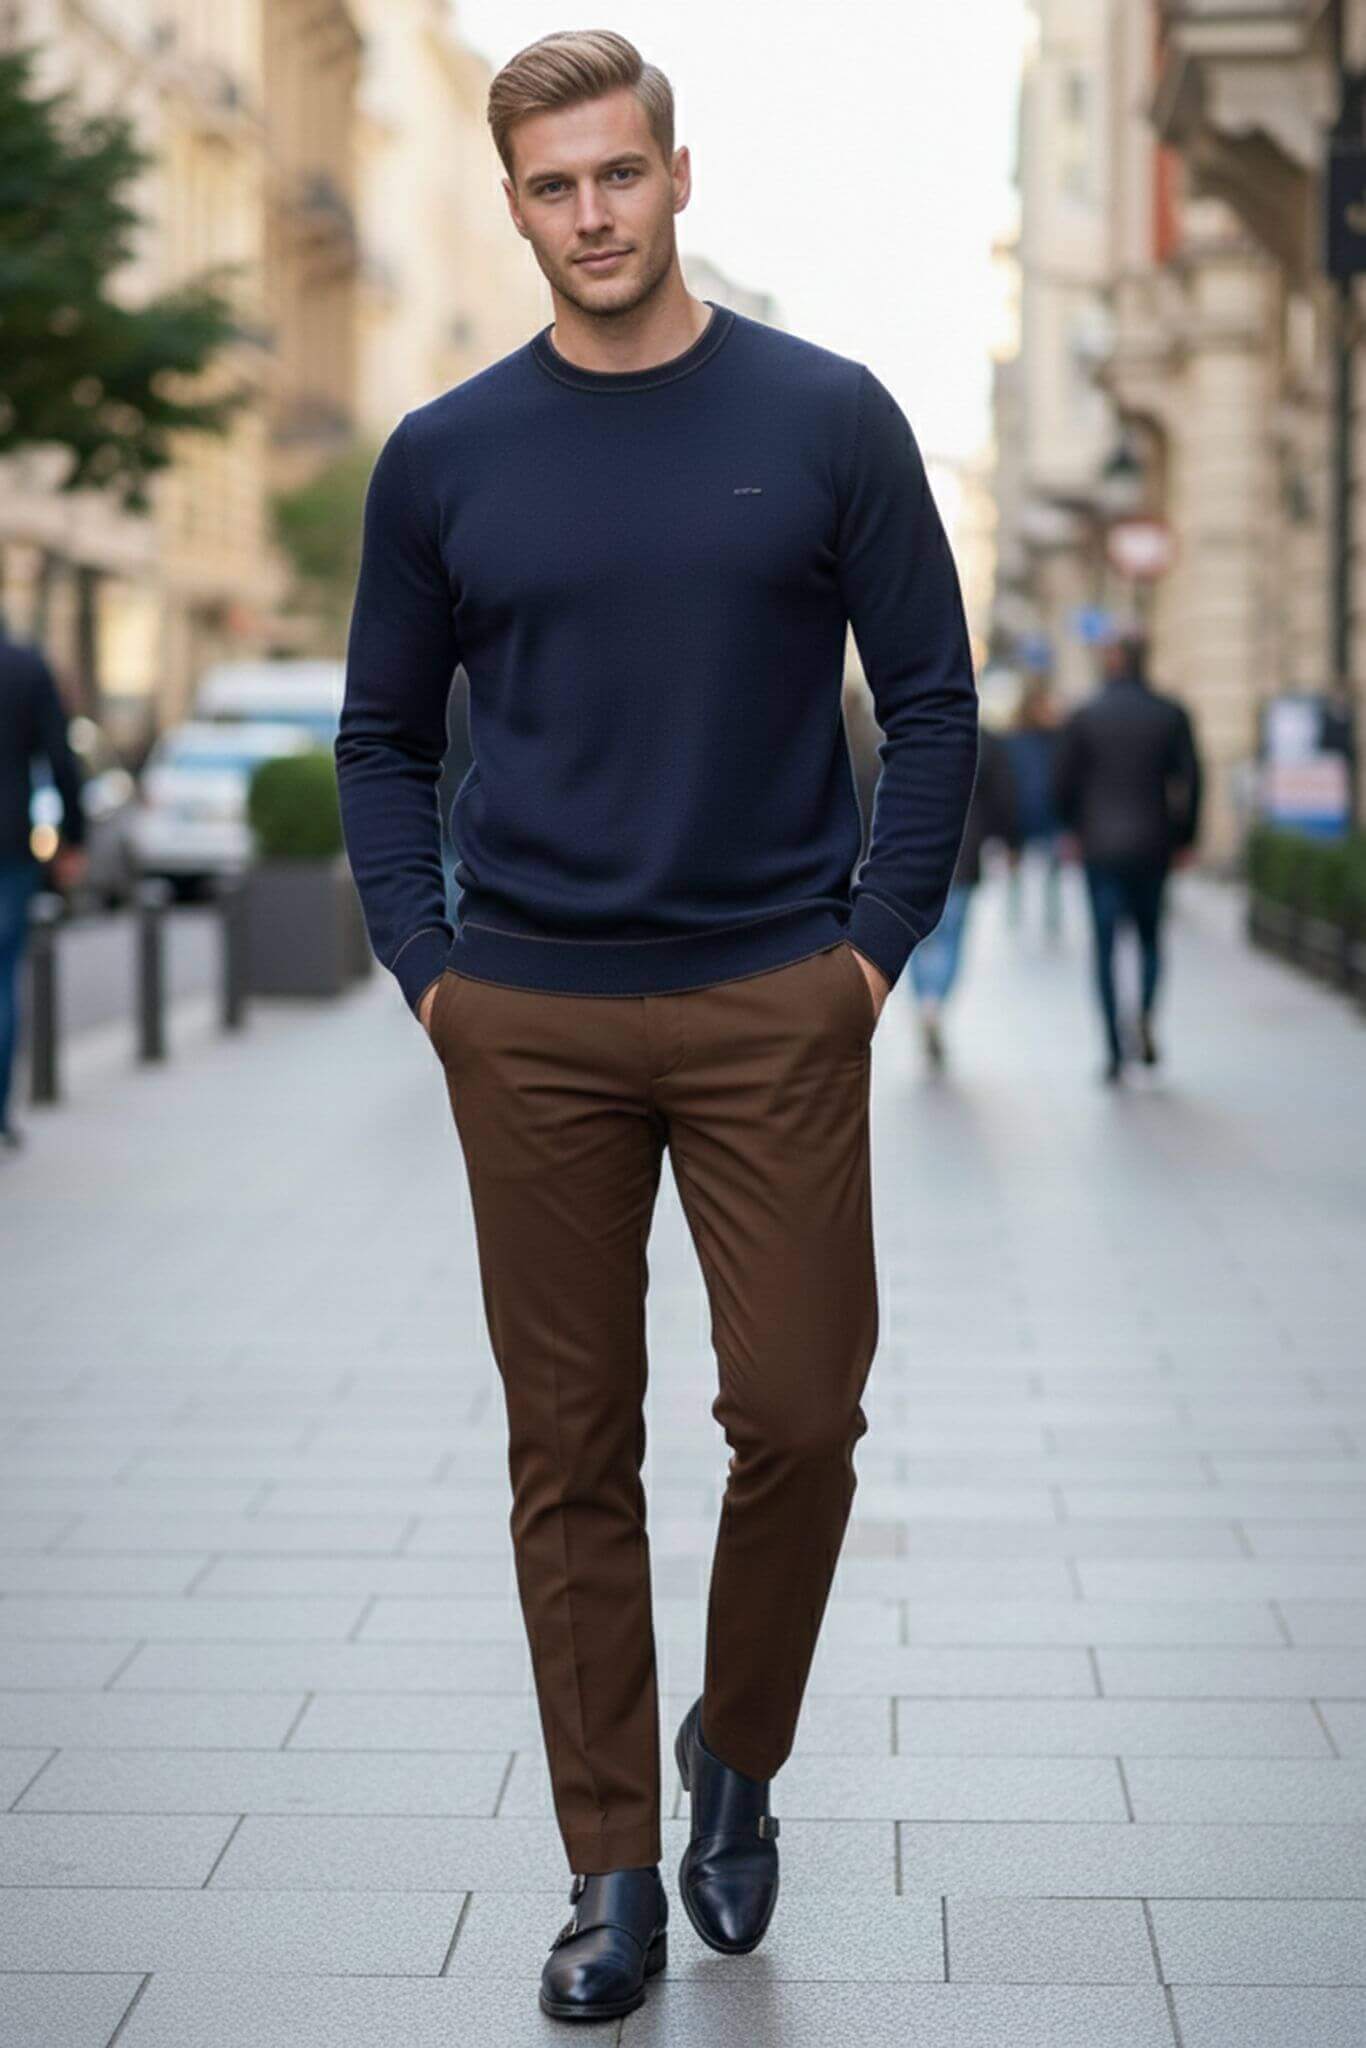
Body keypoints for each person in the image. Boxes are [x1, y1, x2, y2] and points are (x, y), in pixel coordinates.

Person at [335, 29, 978, 2025]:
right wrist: (432, 973)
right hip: (525, 1011)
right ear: (515, 206)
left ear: (677, 177)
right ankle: (609, 1866)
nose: (591, 213)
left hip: (772, 996)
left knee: (797, 1414)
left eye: (618, 173)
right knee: (569, 1446)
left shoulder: (826, 416)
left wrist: (865, 956)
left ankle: (737, 1741)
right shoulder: (444, 453)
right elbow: (379, 739)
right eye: (553, 186)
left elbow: (933, 701)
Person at [1053, 630, 1202, 1083]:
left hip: (1099, 847)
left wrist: (1071, 830)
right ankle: (1146, 1015)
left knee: (1104, 947)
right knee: (1150, 939)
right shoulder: (1169, 713)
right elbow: (1192, 780)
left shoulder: (1085, 715)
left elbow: (1062, 784)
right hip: (1153, 844)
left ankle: (1114, 1049)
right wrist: (1185, 838)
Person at [0, 623, 87, 1152]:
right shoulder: (26, 666)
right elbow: (60, 755)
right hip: (9, 842)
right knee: (3, 977)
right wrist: (73, 838)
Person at [909, 724, 1020, 1070]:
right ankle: (936, 1003)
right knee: (953, 938)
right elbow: (1004, 798)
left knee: (917, 938)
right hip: (964, 854)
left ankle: (924, 999)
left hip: (914, 856)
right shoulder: (984, 740)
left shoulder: (910, 731)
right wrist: (1009, 841)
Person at [1004, 671, 1063, 938]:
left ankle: (1051, 921)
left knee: (1053, 872)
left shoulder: (1057, 739)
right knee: (1017, 870)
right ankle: (1015, 918)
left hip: (1049, 814)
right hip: (1020, 815)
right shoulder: (1013, 742)